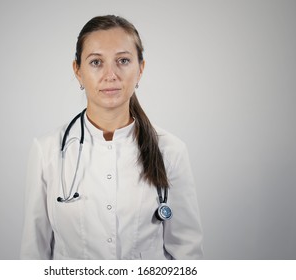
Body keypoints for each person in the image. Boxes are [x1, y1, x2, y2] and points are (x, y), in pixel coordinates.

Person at [20, 15, 203, 260]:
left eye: (123, 60)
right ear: (78, 71)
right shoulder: (48, 151)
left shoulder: (170, 150)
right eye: (96, 62)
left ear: (140, 69)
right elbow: (33, 255)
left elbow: (188, 255)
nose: (111, 75)